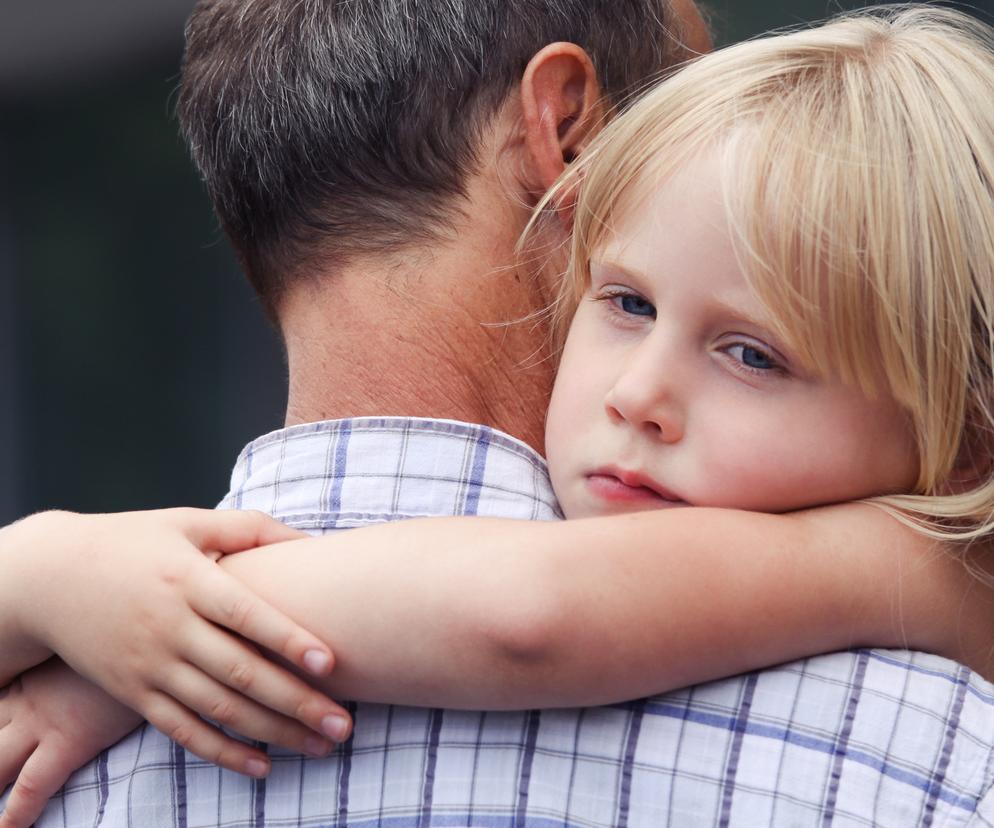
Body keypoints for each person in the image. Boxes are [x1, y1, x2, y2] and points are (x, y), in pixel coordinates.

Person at [5, 2, 994, 826]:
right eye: (627, 300)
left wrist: (76, 597)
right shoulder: (945, 751)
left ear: (964, 441)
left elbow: (531, 614)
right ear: (567, 134)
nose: (639, 393)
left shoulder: (936, 579)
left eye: (751, 353)